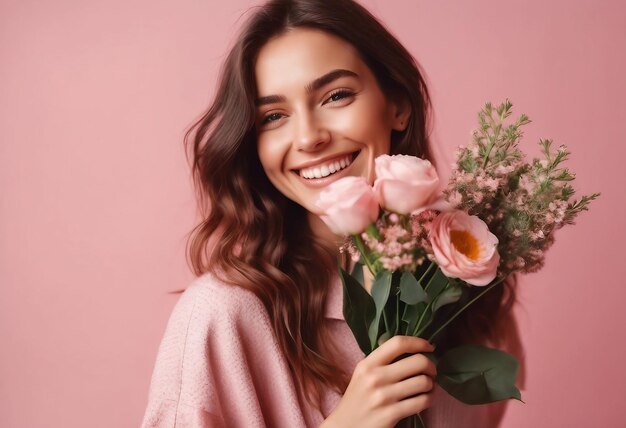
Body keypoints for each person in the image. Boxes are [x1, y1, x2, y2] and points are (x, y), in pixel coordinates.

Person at [141, 0, 524, 427]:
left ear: (398, 103)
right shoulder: (220, 315)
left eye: (336, 95)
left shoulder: (465, 283)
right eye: (273, 116)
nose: (308, 137)